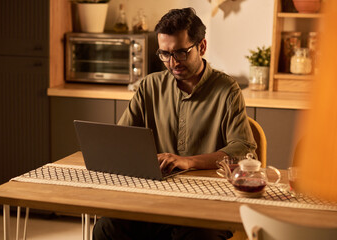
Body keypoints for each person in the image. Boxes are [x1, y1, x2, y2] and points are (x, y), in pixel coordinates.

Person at [93, 7, 256, 240]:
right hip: (154, 201)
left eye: (181, 53)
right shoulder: (149, 87)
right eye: (165, 54)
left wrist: (189, 162)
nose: (172, 62)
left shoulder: (227, 90)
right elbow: (122, 139)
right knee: (107, 228)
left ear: (201, 47)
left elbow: (244, 150)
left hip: (207, 205)